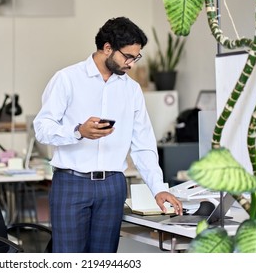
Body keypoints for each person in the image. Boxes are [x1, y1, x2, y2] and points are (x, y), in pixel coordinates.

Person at [33, 16, 183, 253]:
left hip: (112, 186)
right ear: (107, 48)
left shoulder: (131, 90)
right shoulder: (67, 79)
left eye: (136, 57)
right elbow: (42, 128)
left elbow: (143, 143)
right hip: (71, 183)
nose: (132, 64)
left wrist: (158, 187)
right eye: (128, 56)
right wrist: (78, 132)